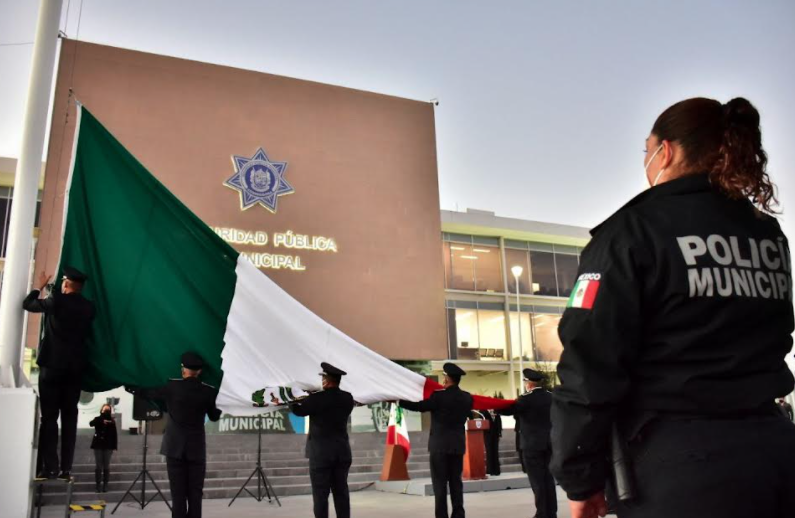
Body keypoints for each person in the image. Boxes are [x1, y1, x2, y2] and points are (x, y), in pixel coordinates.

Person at [550, 97, 795, 518]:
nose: (646, 159)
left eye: (647, 149)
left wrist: (580, 479)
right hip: (775, 454)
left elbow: (590, 365)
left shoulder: (633, 231)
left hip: (680, 466)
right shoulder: (765, 233)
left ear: (667, 151)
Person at [23, 266, 95, 479]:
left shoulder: (56, 301)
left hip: (52, 368)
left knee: (49, 419)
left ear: (65, 283)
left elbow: (28, 304)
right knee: (70, 418)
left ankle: (50, 467)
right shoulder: (89, 307)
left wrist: (39, 287)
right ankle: (66, 468)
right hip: (74, 370)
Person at [131, 352, 222, 518]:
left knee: (178, 495)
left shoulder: (172, 387)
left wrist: (132, 387)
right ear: (200, 371)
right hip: (196, 449)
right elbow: (215, 416)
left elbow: (149, 393)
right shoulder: (208, 392)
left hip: (174, 448)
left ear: (183, 370)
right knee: (195, 494)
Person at [400, 362, 473, 518]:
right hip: (457, 446)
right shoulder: (467, 398)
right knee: (456, 483)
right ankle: (458, 514)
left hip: (439, 447)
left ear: (446, 379)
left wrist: (399, 402)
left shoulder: (439, 396)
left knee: (440, 485)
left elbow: (419, 406)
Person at [290, 362, 355, 518]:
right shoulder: (348, 398)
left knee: (320, 495)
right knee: (341, 493)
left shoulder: (317, 399)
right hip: (342, 453)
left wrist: (292, 399)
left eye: (323, 378)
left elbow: (299, 411)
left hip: (321, 455)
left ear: (326, 380)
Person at [499, 368, 557, 518]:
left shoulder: (525, 399)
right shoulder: (551, 397)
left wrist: (495, 407)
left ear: (528, 383)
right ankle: (552, 512)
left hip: (531, 445)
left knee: (537, 480)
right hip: (549, 444)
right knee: (548, 479)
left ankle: (542, 513)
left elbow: (508, 409)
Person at [89, 403, 118, 493]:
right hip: (98, 445)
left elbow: (114, 434)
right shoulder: (98, 419)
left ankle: (105, 485)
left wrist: (114, 446)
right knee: (98, 465)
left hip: (108, 446)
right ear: (101, 410)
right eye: (105, 409)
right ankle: (98, 485)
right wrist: (102, 420)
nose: (106, 411)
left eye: (108, 410)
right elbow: (91, 424)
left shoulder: (112, 421)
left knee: (106, 465)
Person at [483, 408, 502, 476]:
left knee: (495, 452)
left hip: (495, 435)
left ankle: (497, 470)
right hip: (487, 435)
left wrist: (499, 432)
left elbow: (499, 422)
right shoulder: (483, 412)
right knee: (489, 452)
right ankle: (490, 470)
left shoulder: (496, 411)